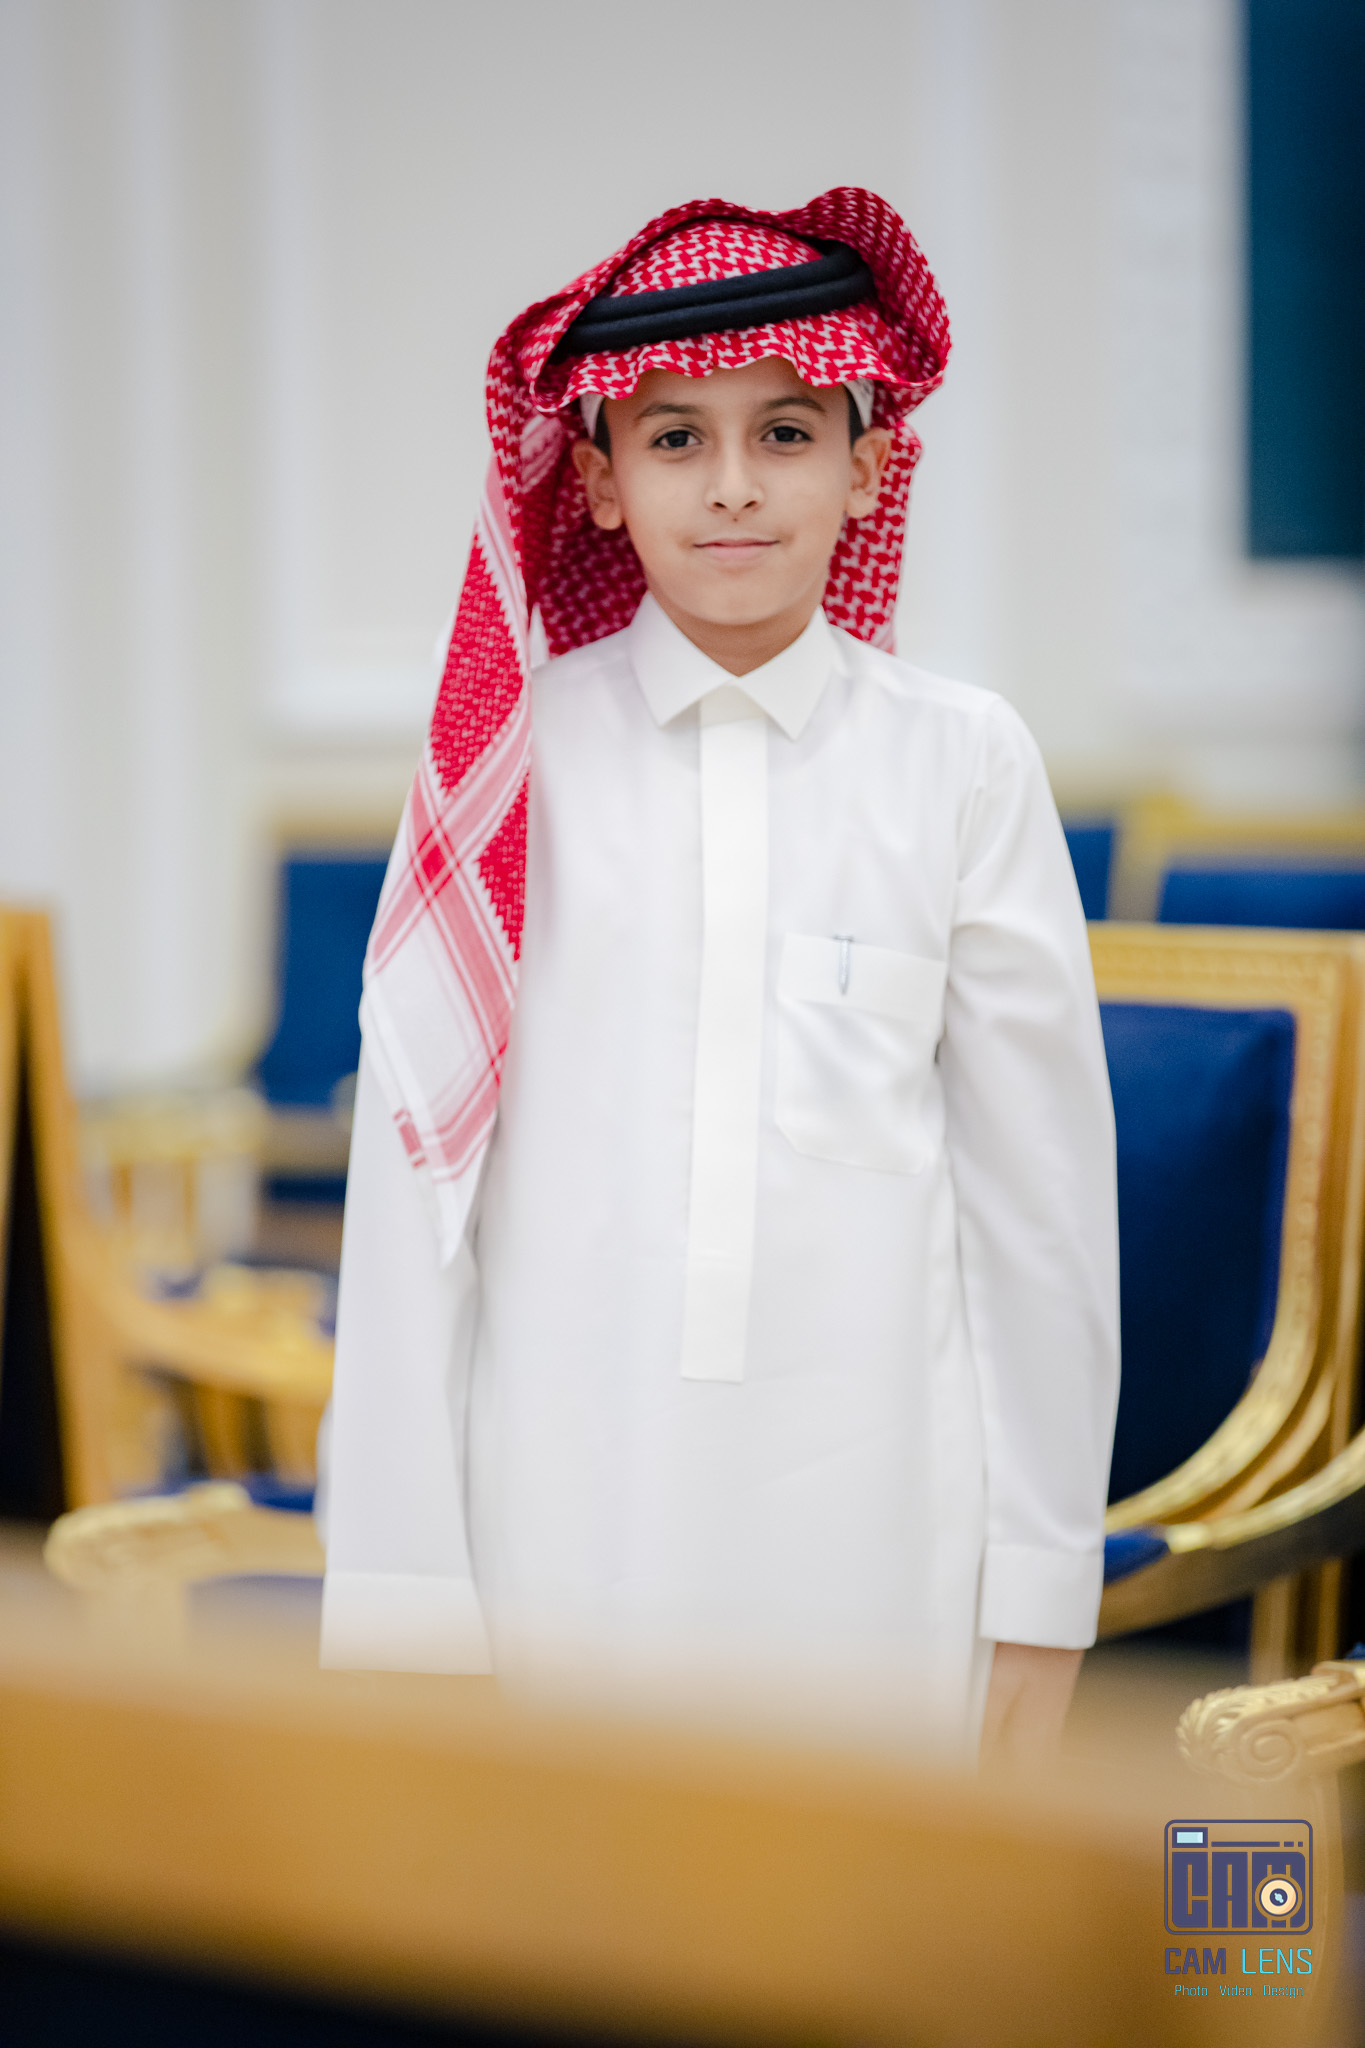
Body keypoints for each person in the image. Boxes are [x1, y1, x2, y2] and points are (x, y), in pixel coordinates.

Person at [318, 189, 1119, 1763]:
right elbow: (414, 1200)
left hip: (883, 1535)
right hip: (561, 1521)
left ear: (867, 465)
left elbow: (1037, 1205)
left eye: (786, 433)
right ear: (597, 479)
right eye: (675, 438)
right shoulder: (507, 768)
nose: (733, 484)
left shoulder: (960, 761)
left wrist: (1040, 1588)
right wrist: (406, 1603)